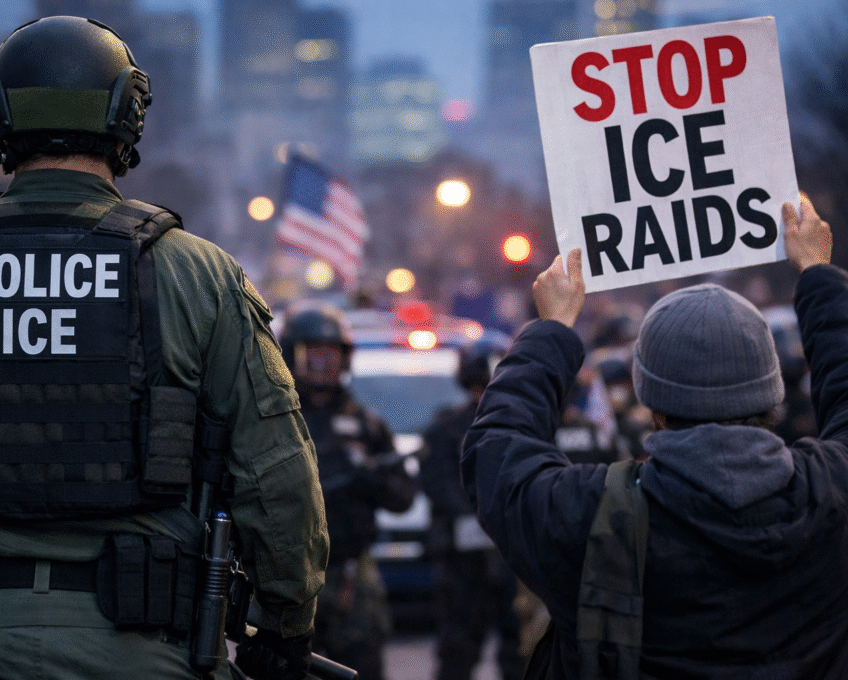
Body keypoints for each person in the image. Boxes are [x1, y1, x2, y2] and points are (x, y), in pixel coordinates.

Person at [0, 16, 327, 680]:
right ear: (127, 114)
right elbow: (276, 472)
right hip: (146, 649)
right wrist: (286, 626)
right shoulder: (197, 275)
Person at [460, 194, 848, 678]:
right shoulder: (831, 492)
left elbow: (497, 453)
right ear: (771, 392)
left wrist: (553, 327)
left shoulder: (592, 517)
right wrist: (817, 273)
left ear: (652, 403)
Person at [278, 304, 416, 680]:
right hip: (285, 572)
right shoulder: (273, 418)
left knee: (362, 662)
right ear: (291, 353)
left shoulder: (365, 423)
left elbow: (403, 497)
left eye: (331, 351)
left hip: (351, 570)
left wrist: (371, 480)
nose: (322, 361)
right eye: (312, 350)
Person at [420, 337, 524, 680]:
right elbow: (438, 485)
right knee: (457, 652)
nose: (487, 395)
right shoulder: (445, 429)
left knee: (521, 649)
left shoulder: (525, 428)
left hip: (515, 561)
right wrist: (477, 515)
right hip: (462, 563)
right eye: (481, 387)